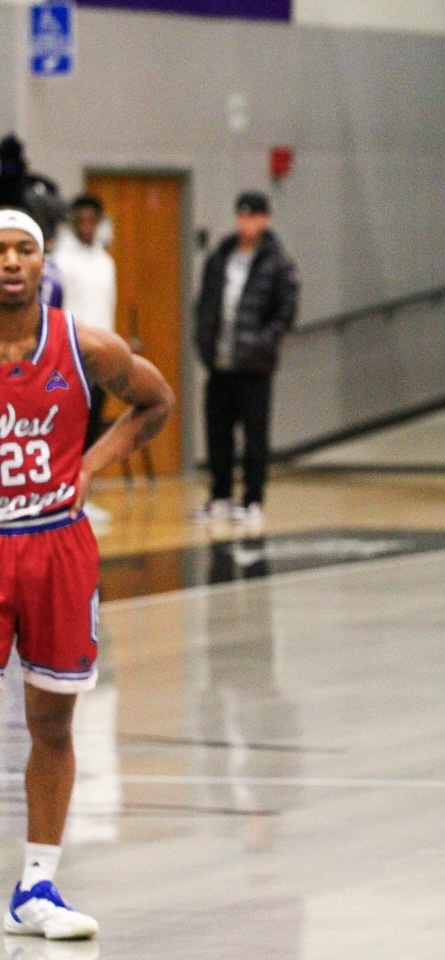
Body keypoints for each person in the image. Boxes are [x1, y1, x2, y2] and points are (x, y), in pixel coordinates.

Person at [0, 207, 174, 939]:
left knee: (53, 721)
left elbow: (158, 402)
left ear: (45, 264)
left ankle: (36, 887)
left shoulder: (88, 347)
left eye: (24, 250)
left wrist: (91, 465)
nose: (10, 261)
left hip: (56, 545)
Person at [192, 191, 299, 528]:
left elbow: (285, 313)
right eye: (242, 215)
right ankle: (220, 495)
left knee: (254, 435)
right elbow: (204, 305)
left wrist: (259, 345)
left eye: (253, 216)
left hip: (254, 367)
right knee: (217, 433)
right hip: (220, 363)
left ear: (265, 219)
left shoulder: (278, 263)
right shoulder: (220, 257)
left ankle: (252, 499)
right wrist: (204, 345)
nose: (246, 222)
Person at [53, 195, 116, 449]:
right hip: (70, 352)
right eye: (81, 220)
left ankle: (83, 481)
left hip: (100, 355)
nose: (86, 226)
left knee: (92, 423)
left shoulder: (105, 261)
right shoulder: (61, 261)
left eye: (92, 220)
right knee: (67, 423)